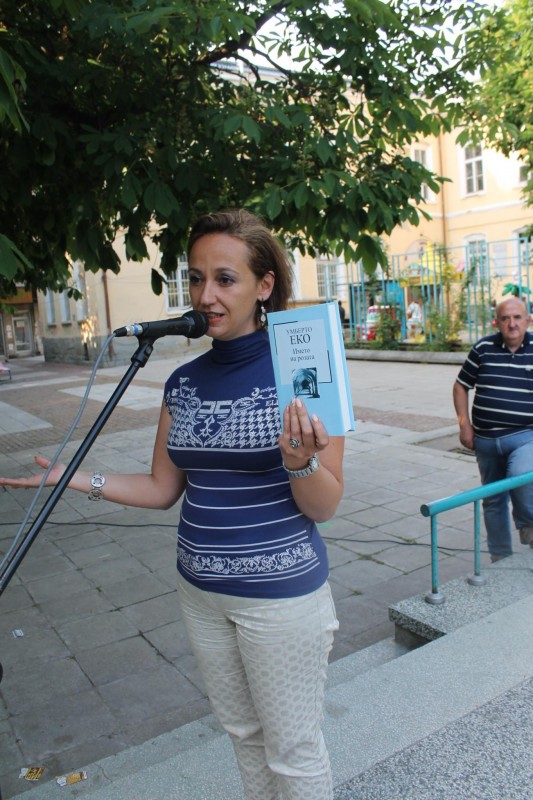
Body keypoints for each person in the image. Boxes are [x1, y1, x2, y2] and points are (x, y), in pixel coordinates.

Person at [0, 209, 344, 800]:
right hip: (200, 595)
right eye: (196, 278)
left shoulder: (305, 367)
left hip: (280, 601)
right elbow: (163, 488)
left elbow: (325, 505)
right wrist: (74, 478)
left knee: (293, 751)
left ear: (264, 285)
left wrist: (299, 462)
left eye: (226, 279)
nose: (205, 296)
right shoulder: (182, 381)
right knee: (242, 735)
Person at [453, 295, 533, 561]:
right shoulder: (483, 347)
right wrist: (464, 423)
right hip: (486, 440)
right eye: (505, 318)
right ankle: (500, 558)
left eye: (517, 317)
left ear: (528, 320)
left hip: (524, 436)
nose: (512, 324)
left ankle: (528, 525)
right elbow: (460, 386)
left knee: (522, 474)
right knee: (493, 499)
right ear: (496, 322)